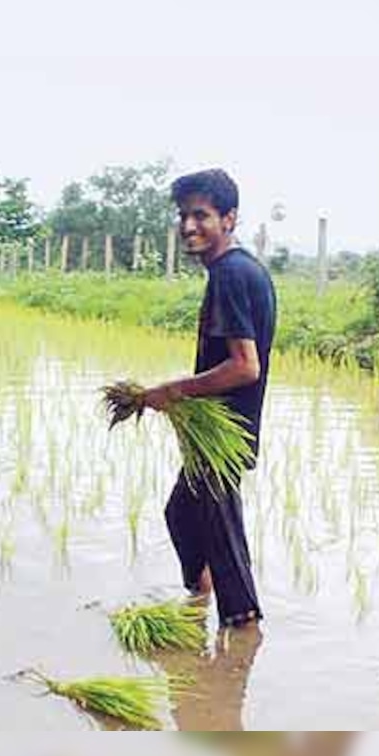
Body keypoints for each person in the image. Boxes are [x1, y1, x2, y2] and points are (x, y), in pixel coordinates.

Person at [143, 169, 276, 627]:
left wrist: (170, 391)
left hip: (226, 434)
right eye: (183, 215)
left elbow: (245, 365)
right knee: (182, 515)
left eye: (201, 215)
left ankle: (242, 633)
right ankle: (199, 606)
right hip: (218, 434)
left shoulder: (232, 274)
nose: (188, 226)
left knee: (223, 541)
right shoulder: (238, 270)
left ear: (230, 218)